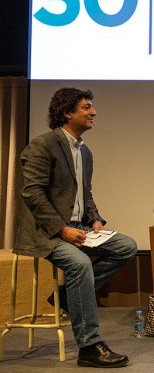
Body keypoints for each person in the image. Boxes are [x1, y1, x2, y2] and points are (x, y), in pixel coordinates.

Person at [15, 87, 137, 368]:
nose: (93, 112)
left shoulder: (85, 152)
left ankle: (68, 298)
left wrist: (94, 219)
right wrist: (61, 229)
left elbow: (85, 192)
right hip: (45, 233)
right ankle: (89, 346)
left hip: (78, 227)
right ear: (67, 113)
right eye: (86, 107)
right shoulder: (42, 145)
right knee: (80, 264)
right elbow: (32, 194)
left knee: (126, 246)